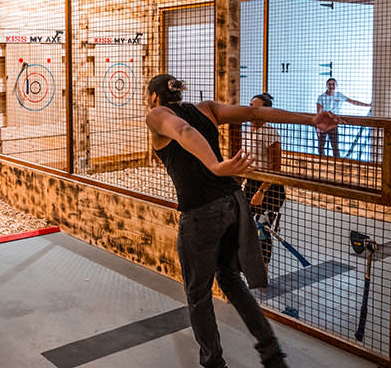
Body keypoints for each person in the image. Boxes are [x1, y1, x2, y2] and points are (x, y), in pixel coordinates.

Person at [145, 74, 338, 368]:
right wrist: (311, 119)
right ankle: (271, 353)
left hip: (201, 212)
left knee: (198, 295)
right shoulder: (207, 108)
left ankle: (214, 363)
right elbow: (255, 112)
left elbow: (182, 131)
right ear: (179, 95)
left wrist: (216, 165)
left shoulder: (157, 115)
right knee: (230, 278)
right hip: (232, 202)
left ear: (154, 98)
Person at [243, 93, 286, 266]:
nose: (252, 110)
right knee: (248, 226)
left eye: (257, 107)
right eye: (251, 105)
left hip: (270, 187)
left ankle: (264, 268)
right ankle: (251, 264)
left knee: (263, 230)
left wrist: (262, 190)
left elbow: (276, 168)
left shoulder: (270, 133)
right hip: (252, 182)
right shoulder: (248, 130)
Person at [316, 77, 370, 157]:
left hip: (333, 124)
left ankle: (337, 163)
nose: (331, 86)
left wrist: (367, 105)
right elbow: (319, 112)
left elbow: (353, 101)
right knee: (321, 146)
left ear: (336, 86)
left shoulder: (339, 96)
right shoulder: (321, 97)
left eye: (333, 84)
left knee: (335, 147)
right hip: (323, 123)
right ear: (326, 85)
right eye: (329, 84)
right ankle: (321, 162)